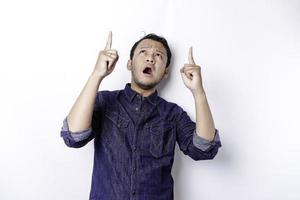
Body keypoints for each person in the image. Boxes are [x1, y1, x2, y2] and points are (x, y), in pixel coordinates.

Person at [60, 31, 222, 200]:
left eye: (158, 55)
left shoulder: (173, 114)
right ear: (129, 64)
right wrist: (96, 75)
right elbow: (73, 136)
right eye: (143, 52)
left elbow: (204, 149)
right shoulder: (104, 101)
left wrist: (198, 92)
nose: (150, 58)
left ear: (166, 72)